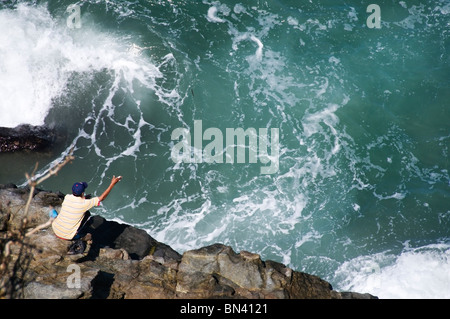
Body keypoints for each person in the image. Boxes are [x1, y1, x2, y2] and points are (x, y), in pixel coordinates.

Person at [51, 176, 122, 244]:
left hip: (55, 229)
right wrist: (112, 184)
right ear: (82, 193)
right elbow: (102, 198)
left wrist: (84, 198)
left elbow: (77, 201)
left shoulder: (67, 197)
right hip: (67, 236)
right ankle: (80, 236)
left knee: (55, 212)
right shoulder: (85, 203)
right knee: (87, 214)